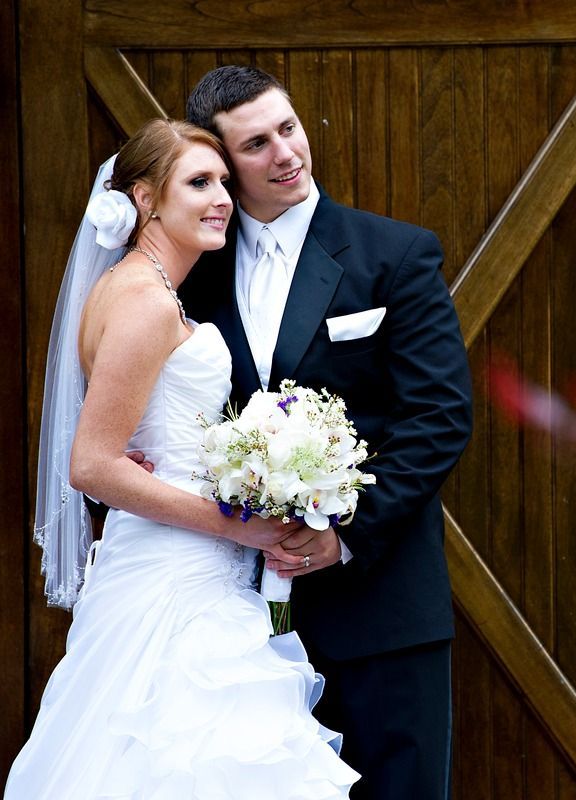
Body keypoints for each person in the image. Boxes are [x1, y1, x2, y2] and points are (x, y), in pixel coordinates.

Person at [8, 119, 359, 797]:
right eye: (199, 182)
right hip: (177, 578)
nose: (222, 196)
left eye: (224, 181)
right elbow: (93, 464)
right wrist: (237, 523)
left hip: (186, 560)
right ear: (145, 199)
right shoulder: (143, 303)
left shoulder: (141, 290)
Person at [180, 66, 473, 799]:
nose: (286, 153)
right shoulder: (193, 276)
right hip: (235, 615)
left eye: (289, 128)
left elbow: (439, 417)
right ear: (222, 166)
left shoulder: (396, 254)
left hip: (382, 607)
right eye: (256, 144)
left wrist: (344, 536)